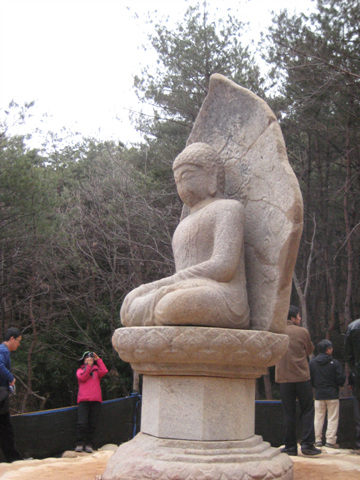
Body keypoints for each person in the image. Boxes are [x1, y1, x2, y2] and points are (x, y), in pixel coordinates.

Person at [121, 142, 250, 329]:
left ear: (212, 175)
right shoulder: (183, 224)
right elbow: (180, 275)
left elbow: (224, 267)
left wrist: (170, 284)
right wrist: (150, 288)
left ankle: (161, 303)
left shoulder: (228, 208)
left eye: (187, 176)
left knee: (170, 305)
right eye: (177, 180)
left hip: (224, 295)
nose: (182, 185)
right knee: (129, 305)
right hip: (187, 288)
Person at [275, 305, 321, 456]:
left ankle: (290, 446)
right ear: (293, 318)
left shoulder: (277, 331)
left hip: (283, 378)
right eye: (299, 316)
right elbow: (309, 350)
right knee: (307, 409)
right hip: (302, 377)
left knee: (289, 412)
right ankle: (307, 445)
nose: (300, 319)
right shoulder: (303, 332)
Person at [309, 339, 345, 448]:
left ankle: (317, 440)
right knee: (332, 418)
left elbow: (310, 378)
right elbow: (341, 378)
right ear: (328, 349)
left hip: (319, 394)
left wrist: (316, 386)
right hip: (332, 394)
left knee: (318, 417)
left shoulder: (312, 363)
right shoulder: (335, 363)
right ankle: (330, 441)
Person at [75, 351, 108, 453]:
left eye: (91, 358)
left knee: (93, 424)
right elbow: (83, 378)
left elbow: (105, 371)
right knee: (82, 423)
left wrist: (98, 359)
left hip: (96, 400)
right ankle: (80, 443)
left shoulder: (97, 371)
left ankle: (89, 444)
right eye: (87, 358)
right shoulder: (80, 370)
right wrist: (88, 367)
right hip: (84, 400)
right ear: (83, 360)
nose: (89, 360)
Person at [0, 327, 23, 462]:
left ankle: (13, 457)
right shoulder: (3, 350)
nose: (19, 344)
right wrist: (11, 378)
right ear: (12, 339)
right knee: (6, 428)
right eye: (18, 341)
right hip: (1, 397)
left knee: (5, 428)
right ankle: (13, 458)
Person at [345, 317, 360, 454]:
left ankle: (359, 443)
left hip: (358, 373)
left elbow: (349, 356)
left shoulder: (353, 327)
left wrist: (354, 371)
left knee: (358, 407)